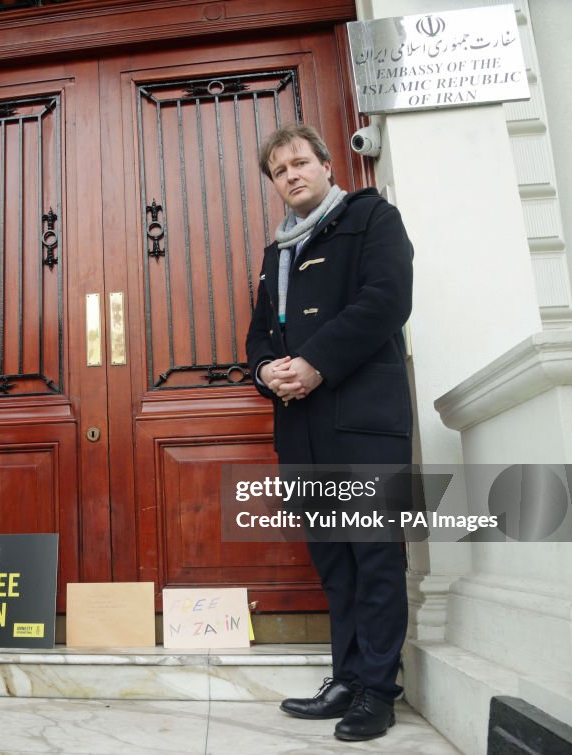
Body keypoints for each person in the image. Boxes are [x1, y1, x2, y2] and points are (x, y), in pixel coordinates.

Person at [245, 125, 412, 742]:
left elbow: (386, 301)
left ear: (326, 163)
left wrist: (314, 362)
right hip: (301, 426)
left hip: (364, 422)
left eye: (299, 162)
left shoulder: (372, 219)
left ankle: (377, 689)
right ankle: (345, 678)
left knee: (374, 557)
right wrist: (268, 371)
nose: (291, 175)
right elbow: (261, 334)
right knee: (334, 560)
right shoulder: (276, 253)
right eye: (278, 170)